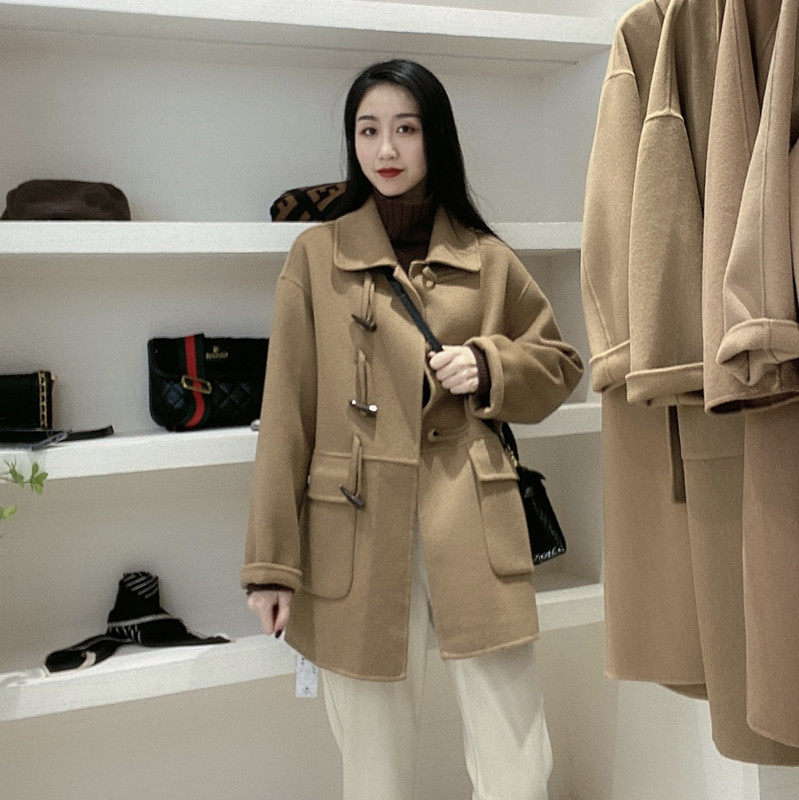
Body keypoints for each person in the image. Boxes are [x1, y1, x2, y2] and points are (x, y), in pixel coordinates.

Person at [242, 58, 583, 800]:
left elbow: (560, 364)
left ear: (436, 139)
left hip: (473, 519)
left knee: (518, 763)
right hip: (354, 532)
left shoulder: (486, 258)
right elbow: (286, 414)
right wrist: (270, 565)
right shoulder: (316, 257)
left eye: (405, 128)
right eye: (368, 131)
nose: (386, 149)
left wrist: (488, 366)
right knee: (373, 771)